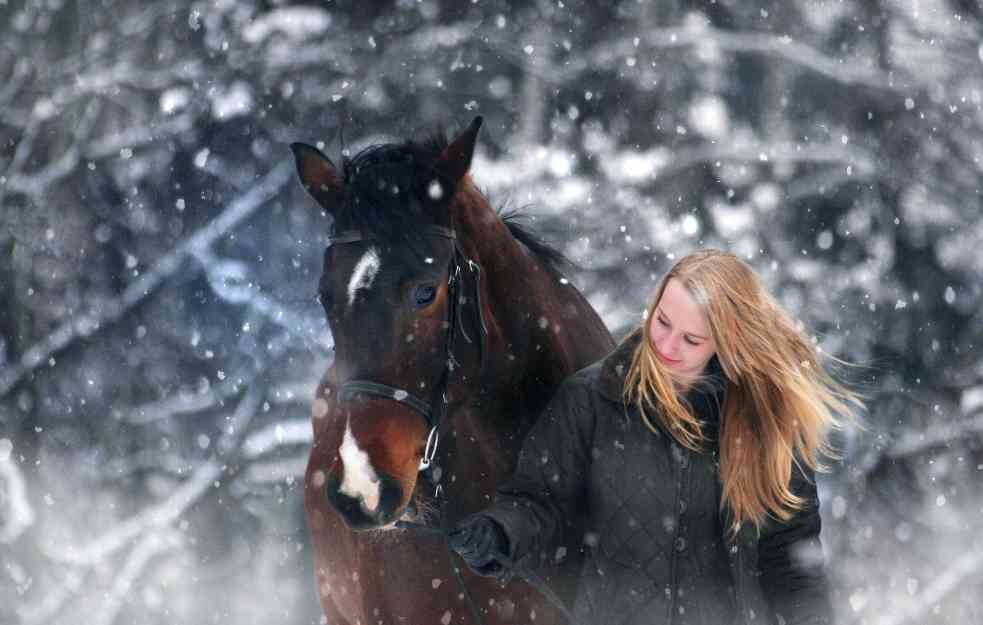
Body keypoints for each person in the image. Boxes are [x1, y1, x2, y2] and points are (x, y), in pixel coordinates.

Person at [447, 248, 863, 625]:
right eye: (662, 321)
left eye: (692, 339)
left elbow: (792, 557)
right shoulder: (591, 400)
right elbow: (541, 505)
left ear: (727, 343)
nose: (666, 345)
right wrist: (500, 531)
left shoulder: (765, 423)